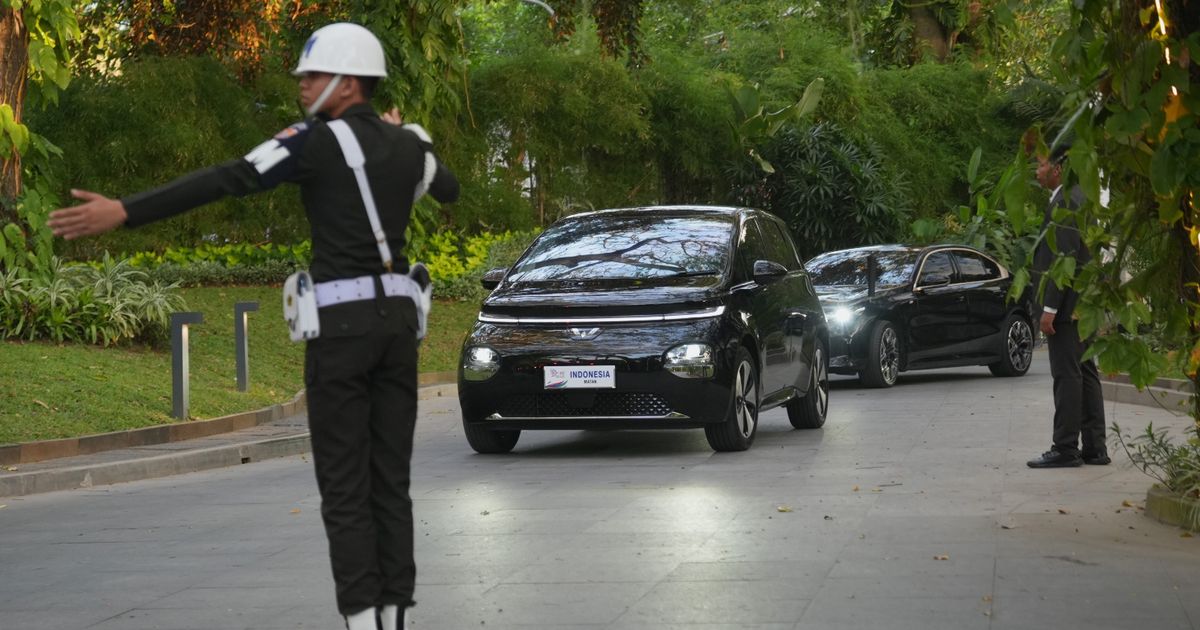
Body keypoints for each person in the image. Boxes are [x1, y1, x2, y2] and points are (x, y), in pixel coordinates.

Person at [47, 22, 458, 629]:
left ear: (348, 84)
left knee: (346, 487)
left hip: (341, 330)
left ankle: (364, 625)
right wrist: (403, 135)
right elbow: (447, 189)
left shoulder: (311, 141)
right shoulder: (413, 146)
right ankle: (394, 621)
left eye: (313, 75)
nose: (302, 85)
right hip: (399, 325)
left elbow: (230, 177)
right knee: (389, 483)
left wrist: (126, 210)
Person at [1026, 141, 1109, 468]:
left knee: (1067, 375)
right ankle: (1094, 447)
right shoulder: (1078, 197)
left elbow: (1064, 258)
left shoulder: (1065, 202)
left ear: (1057, 168)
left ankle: (1064, 448)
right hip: (1083, 305)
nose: (1037, 170)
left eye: (1041, 164)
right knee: (1086, 372)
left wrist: (1049, 308)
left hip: (1068, 306)